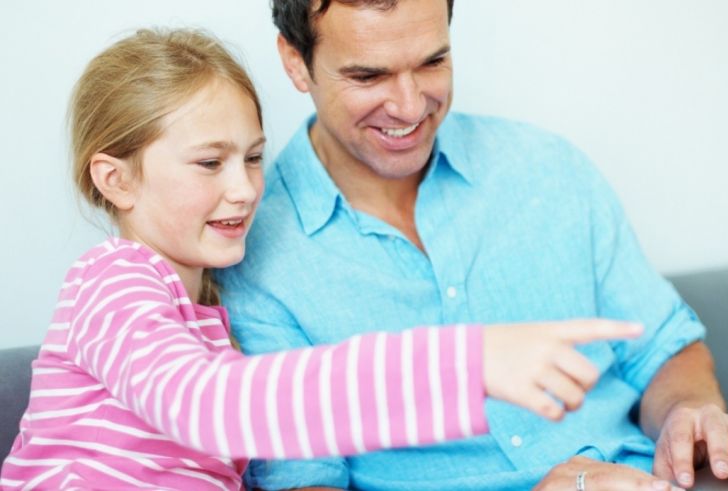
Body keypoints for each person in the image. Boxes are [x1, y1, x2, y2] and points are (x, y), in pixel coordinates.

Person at [0, 28, 644, 491]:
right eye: (210, 162)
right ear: (115, 180)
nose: (245, 189)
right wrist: (465, 364)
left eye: (253, 157)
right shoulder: (111, 281)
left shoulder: (211, 318)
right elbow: (210, 407)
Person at [216, 1, 728, 490]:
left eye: (432, 62)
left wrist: (689, 412)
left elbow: (664, 346)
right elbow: (305, 482)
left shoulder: (546, 167)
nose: (409, 106)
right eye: (369, 75)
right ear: (295, 61)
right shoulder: (254, 258)